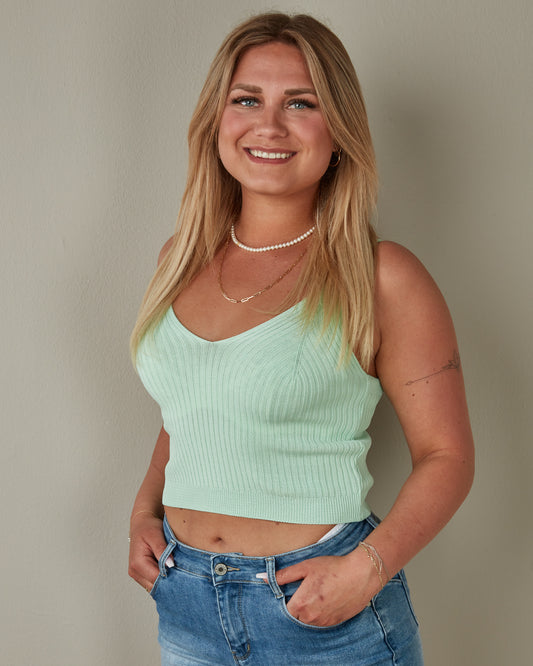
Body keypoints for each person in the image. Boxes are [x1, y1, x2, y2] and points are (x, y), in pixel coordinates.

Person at [128, 12, 474, 666]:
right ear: (216, 121)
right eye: (246, 99)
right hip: (186, 600)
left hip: (323, 617)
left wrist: (365, 571)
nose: (269, 124)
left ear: (337, 132)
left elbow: (447, 455)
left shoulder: (380, 275)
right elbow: (194, 408)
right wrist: (144, 511)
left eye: (300, 103)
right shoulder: (179, 259)